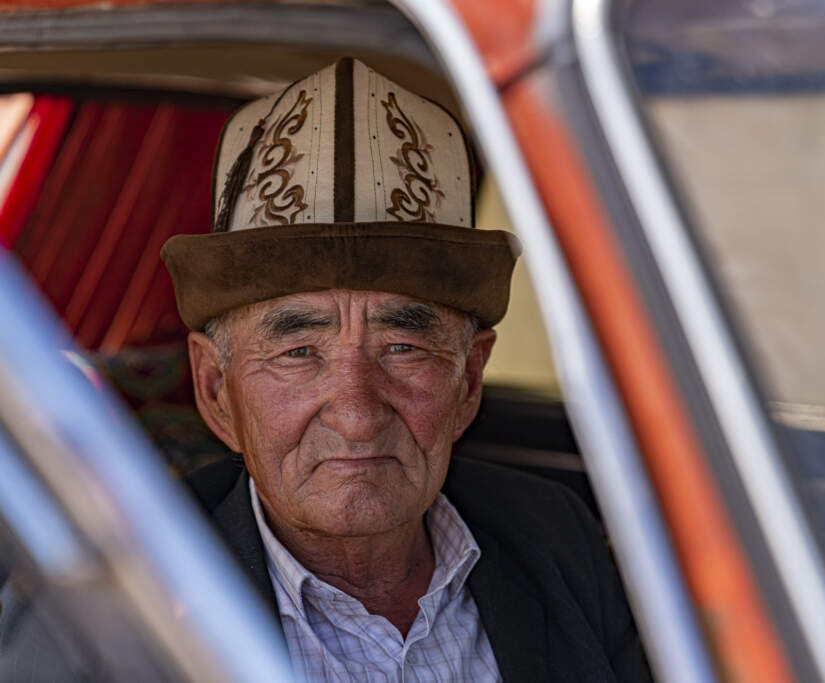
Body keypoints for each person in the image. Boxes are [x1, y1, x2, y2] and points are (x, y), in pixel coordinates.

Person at [161, 58, 651, 682]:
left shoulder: (552, 537)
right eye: (298, 353)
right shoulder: (125, 596)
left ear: (469, 381)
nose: (358, 416)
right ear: (215, 391)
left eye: (403, 349)